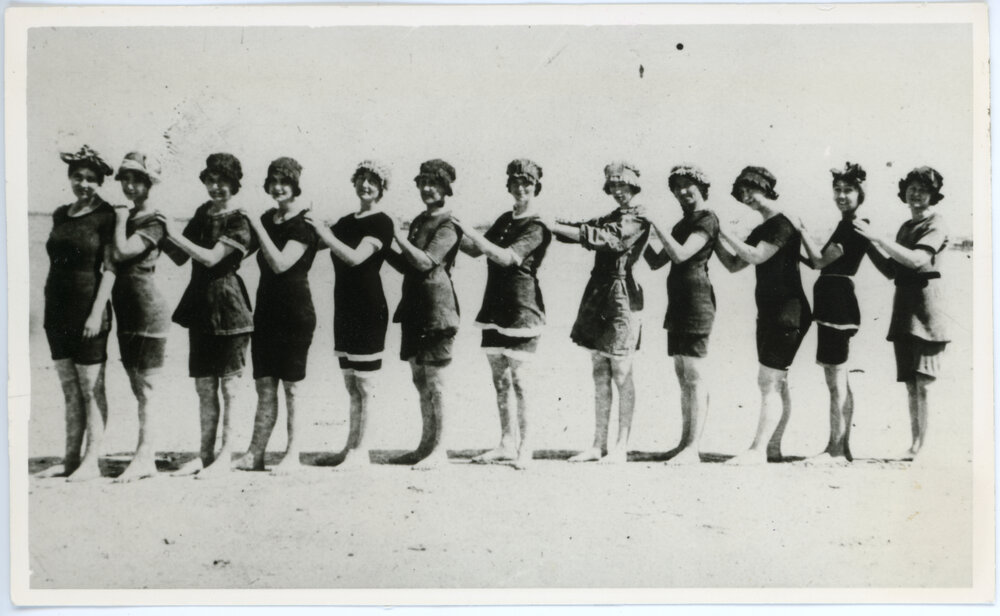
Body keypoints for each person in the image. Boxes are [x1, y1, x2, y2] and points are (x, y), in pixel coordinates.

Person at [159, 153, 257, 477]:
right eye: (210, 180)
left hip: (230, 308)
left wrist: (171, 232)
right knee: (204, 387)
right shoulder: (203, 213)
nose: (216, 187)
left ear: (234, 185)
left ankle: (225, 457)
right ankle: (204, 455)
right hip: (200, 308)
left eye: (223, 182)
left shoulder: (239, 220)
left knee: (229, 388)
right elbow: (176, 255)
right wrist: (152, 226)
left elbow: (213, 258)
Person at [453, 159, 552, 470]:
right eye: (516, 183)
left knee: (521, 381)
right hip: (494, 307)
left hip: (523, 309)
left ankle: (527, 447)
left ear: (536, 186)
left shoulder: (537, 225)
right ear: (508, 186)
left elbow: (507, 257)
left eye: (527, 183)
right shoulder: (503, 219)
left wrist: (466, 228)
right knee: (500, 380)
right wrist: (446, 228)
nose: (521, 187)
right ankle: (506, 443)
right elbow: (473, 250)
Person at [551, 161, 651, 464]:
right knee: (599, 370)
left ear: (633, 187)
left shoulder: (638, 217)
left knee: (621, 370)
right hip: (598, 292)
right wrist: (549, 222)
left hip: (621, 294)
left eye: (623, 186)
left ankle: (620, 446)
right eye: (614, 186)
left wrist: (554, 225)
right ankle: (598, 444)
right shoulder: (609, 217)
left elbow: (609, 239)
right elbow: (582, 228)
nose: (619, 191)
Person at [714, 166, 812, 464]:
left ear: (765, 187)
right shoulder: (761, 228)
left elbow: (756, 256)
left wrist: (724, 231)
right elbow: (733, 264)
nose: (747, 199)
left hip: (787, 311)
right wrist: (713, 236)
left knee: (768, 381)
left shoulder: (782, 223)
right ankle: (772, 448)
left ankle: (757, 450)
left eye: (751, 191)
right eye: (742, 195)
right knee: (775, 381)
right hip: (770, 312)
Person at [854, 166, 949, 460]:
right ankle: (914, 445)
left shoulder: (937, 222)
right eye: (912, 187)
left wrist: (879, 238)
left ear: (933, 194)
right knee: (911, 383)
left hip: (927, 309)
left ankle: (926, 447)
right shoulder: (905, 227)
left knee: (925, 384)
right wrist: (866, 241)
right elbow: (891, 270)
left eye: (922, 188)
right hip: (905, 308)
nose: (915, 192)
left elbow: (918, 260)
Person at [233, 157, 319, 474]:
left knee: (293, 387)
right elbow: (241, 252)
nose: (278, 187)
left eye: (285, 181)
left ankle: (292, 454)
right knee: (264, 386)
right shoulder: (269, 218)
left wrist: (256, 223)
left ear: (295, 185)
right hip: (266, 312)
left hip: (296, 314)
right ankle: (255, 453)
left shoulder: (304, 225)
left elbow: (281, 263)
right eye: (273, 182)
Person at [36, 145, 116, 481]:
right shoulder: (60, 213)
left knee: (91, 388)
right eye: (78, 177)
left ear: (100, 182)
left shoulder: (107, 215)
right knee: (69, 389)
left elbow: (111, 269)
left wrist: (96, 314)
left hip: (88, 309)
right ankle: (70, 459)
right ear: (70, 177)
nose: (83, 184)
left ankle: (91, 461)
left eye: (90, 179)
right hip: (56, 310)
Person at [308, 160, 395, 468]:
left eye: (372, 181)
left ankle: (363, 450)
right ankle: (350, 447)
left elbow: (357, 258)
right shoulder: (345, 221)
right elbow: (313, 243)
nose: (366, 185)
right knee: (351, 384)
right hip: (343, 308)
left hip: (369, 307)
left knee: (366, 384)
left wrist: (324, 232)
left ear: (382, 188)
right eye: (361, 179)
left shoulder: (382, 222)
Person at [386, 159, 463, 469]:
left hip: (437, 310)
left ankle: (440, 450)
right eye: (423, 183)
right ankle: (424, 446)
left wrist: (396, 235)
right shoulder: (419, 220)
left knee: (437, 381)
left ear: (446, 188)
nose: (428, 189)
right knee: (419, 380)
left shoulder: (450, 223)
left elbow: (425, 262)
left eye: (435, 183)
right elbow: (407, 264)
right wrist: (384, 248)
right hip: (414, 308)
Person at [642, 165, 719, 464]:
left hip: (698, 303)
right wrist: (641, 233)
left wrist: (654, 223)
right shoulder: (682, 223)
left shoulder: (707, 218)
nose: (682, 191)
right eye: (677, 187)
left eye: (688, 185)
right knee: (682, 375)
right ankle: (684, 444)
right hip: (678, 304)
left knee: (695, 375)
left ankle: (692, 449)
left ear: (701, 187)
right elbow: (657, 261)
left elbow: (681, 254)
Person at [795, 162, 871, 463]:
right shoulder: (847, 223)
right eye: (837, 190)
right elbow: (818, 262)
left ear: (860, 193)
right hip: (833, 300)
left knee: (836, 377)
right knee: (836, 377)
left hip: (837, 301)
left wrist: (800, 231)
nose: (841, 195)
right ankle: (840, 447)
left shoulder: (853, 225)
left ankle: (836, 449)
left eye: (848, 190)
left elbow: (821, 261)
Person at [109, 151, 171, 482]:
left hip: (149, 311)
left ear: (149, 183)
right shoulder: (134, 217)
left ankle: (145, 457)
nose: (130, 186)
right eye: (126, 180)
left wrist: (119, 220)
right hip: (126, 311)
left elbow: (121, 252)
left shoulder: (153, 221)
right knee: (137, 387)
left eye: (137, 180)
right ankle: (145, 453)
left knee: (147, 388)